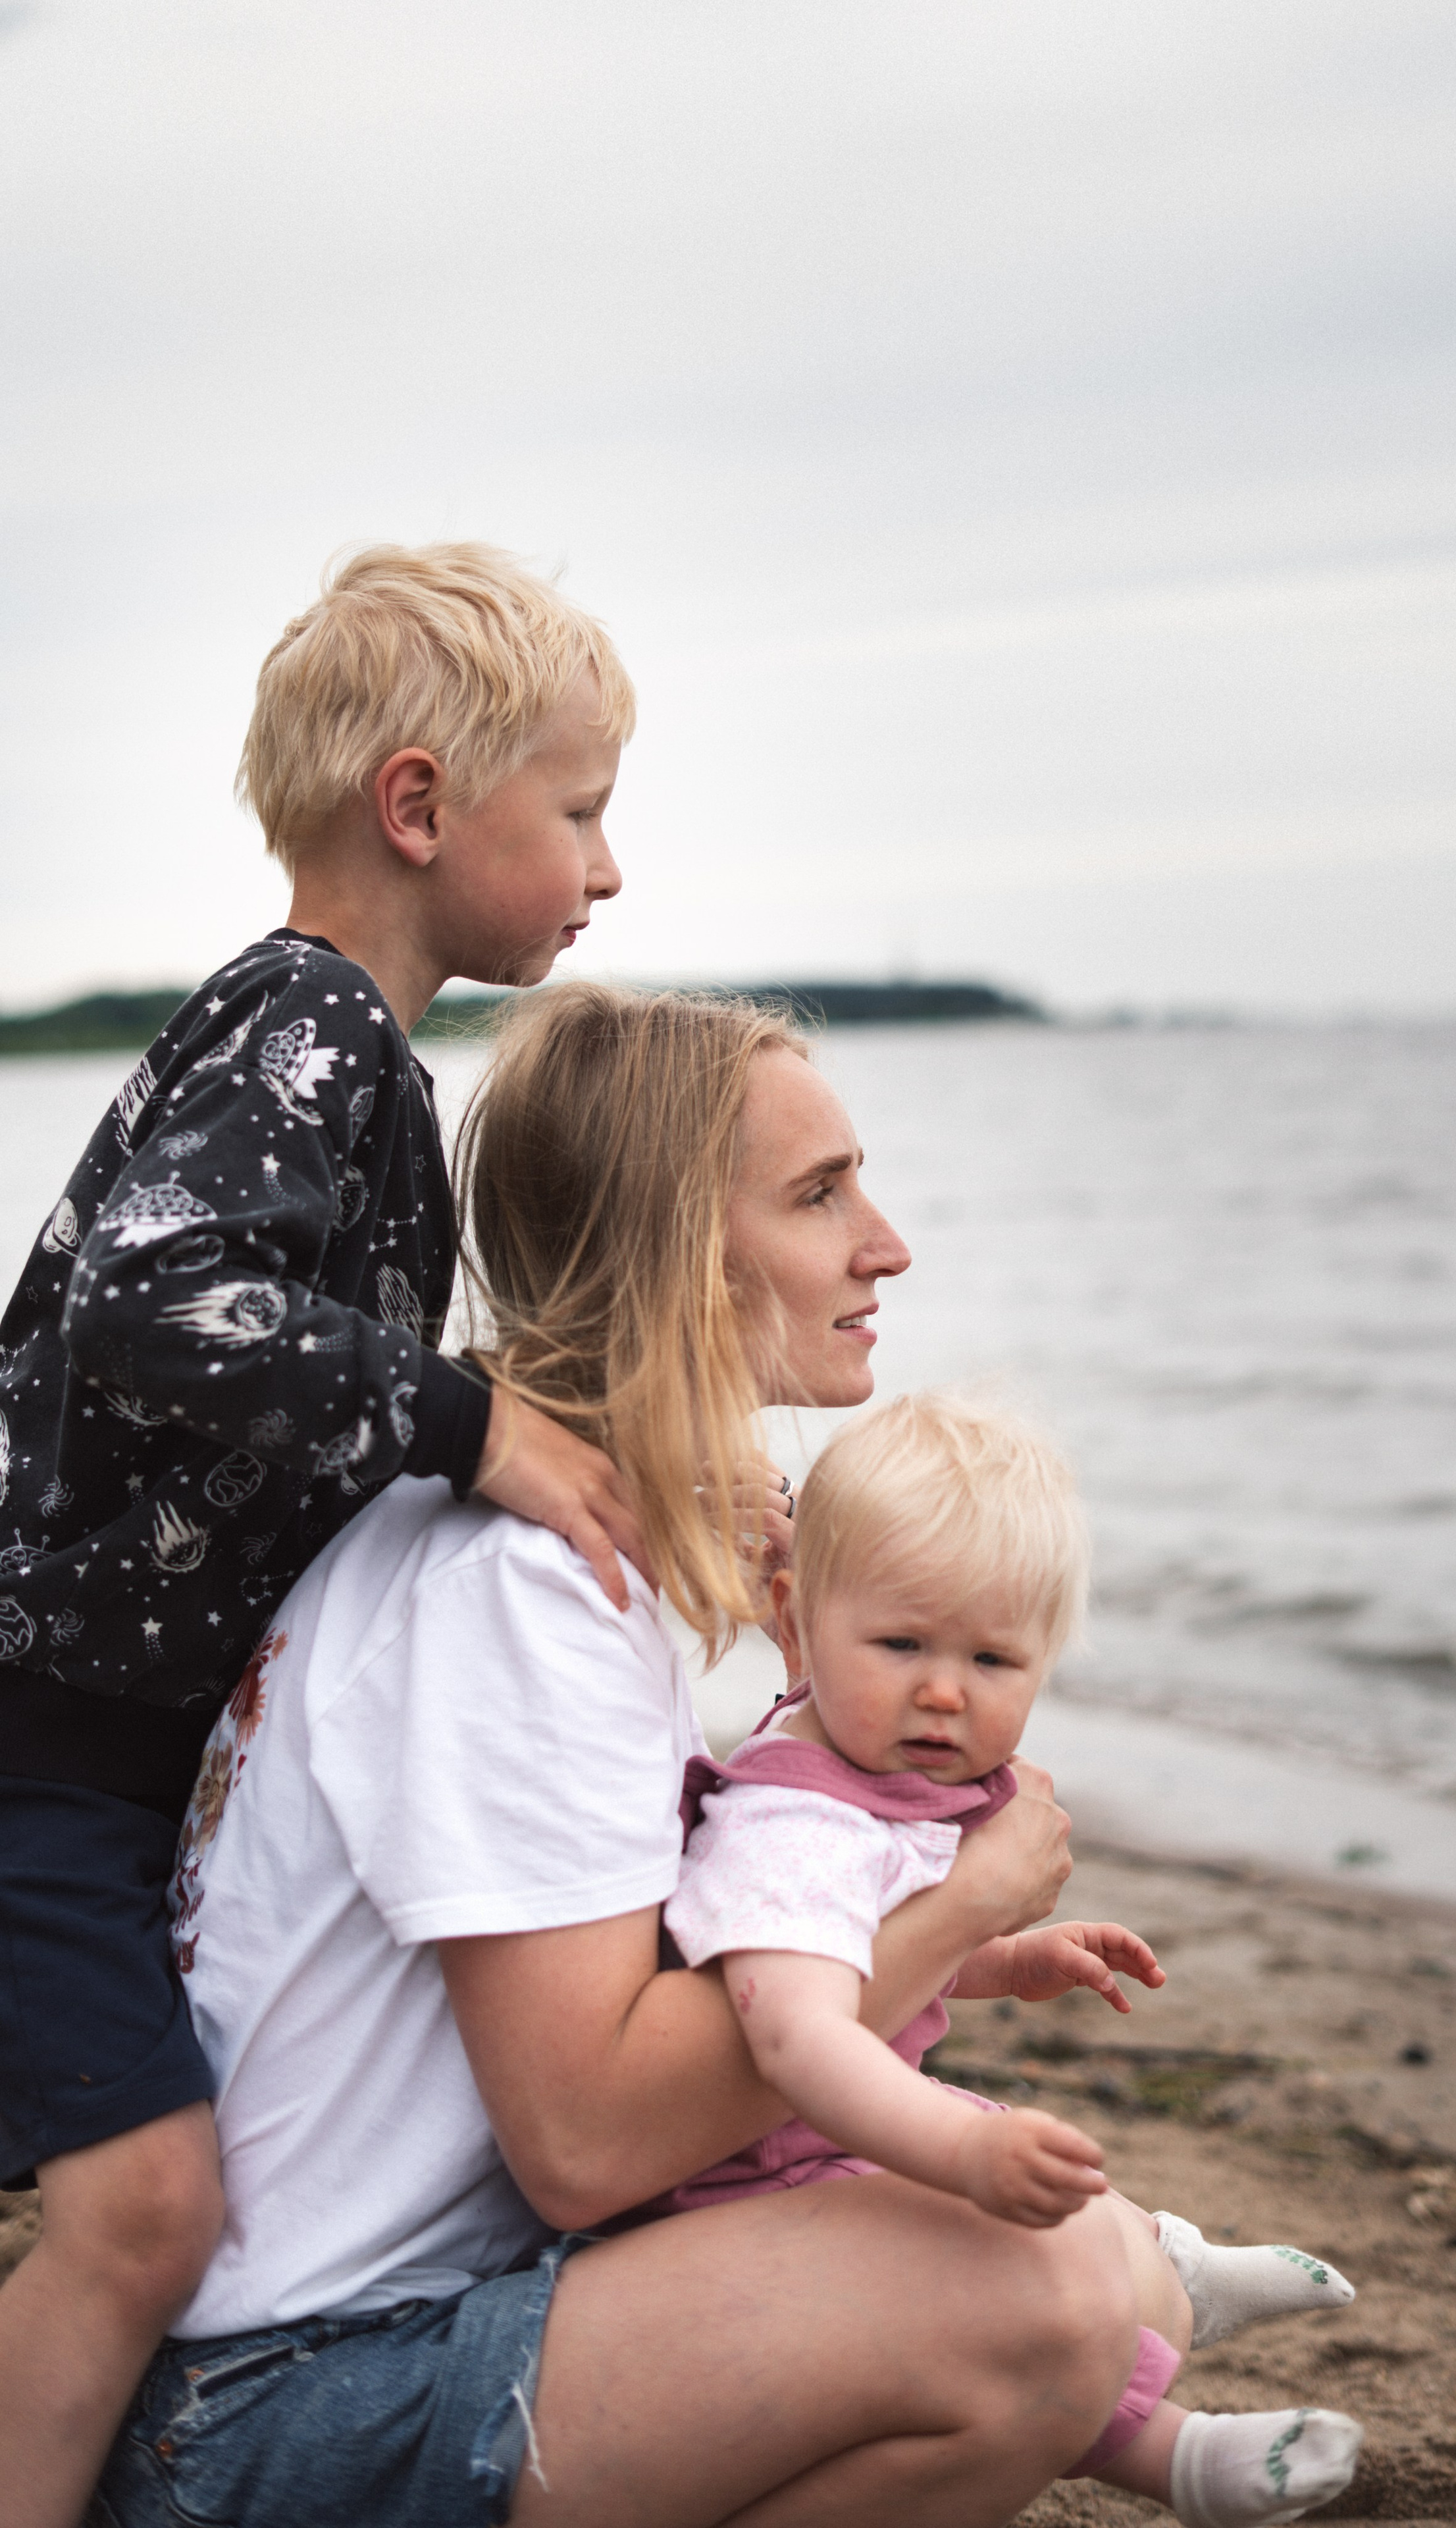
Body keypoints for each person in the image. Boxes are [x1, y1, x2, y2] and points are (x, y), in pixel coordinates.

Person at [93, 984, 1357, 2528]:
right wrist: (958, 1907)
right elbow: (589, 2138)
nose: (882, 1244)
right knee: (1042, 2314)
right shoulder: (520, 1599)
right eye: (820, 1196)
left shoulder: (550, 1536)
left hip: (373, 2335)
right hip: (286, 2404)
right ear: (680, 1254)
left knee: (1104, 2261)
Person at [0, 545, 648, 2528]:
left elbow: (289, 1383)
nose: (612, 869)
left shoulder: (336, 1064)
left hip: (114, 1757)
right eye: (586, 808)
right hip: (41, 1751)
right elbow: (156, 1298)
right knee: (145, 2209)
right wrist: (469, 1426)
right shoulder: (309, 1028)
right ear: (424, 805)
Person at [656, 1390, 1363, 2521]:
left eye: (993, 1659)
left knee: (1042, 2178)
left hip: (820, 2141)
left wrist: (1000, 1959)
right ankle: (1181, 2457)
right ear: (794, 1616)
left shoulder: (853, 1755)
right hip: (754, 2179)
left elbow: (862, 1957)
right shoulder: (798, 1827)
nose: (943, 1690)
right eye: (901, 1645)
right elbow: (793, 2031)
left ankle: (1175, 2266)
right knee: (999, 2235)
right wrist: (956, 2158)